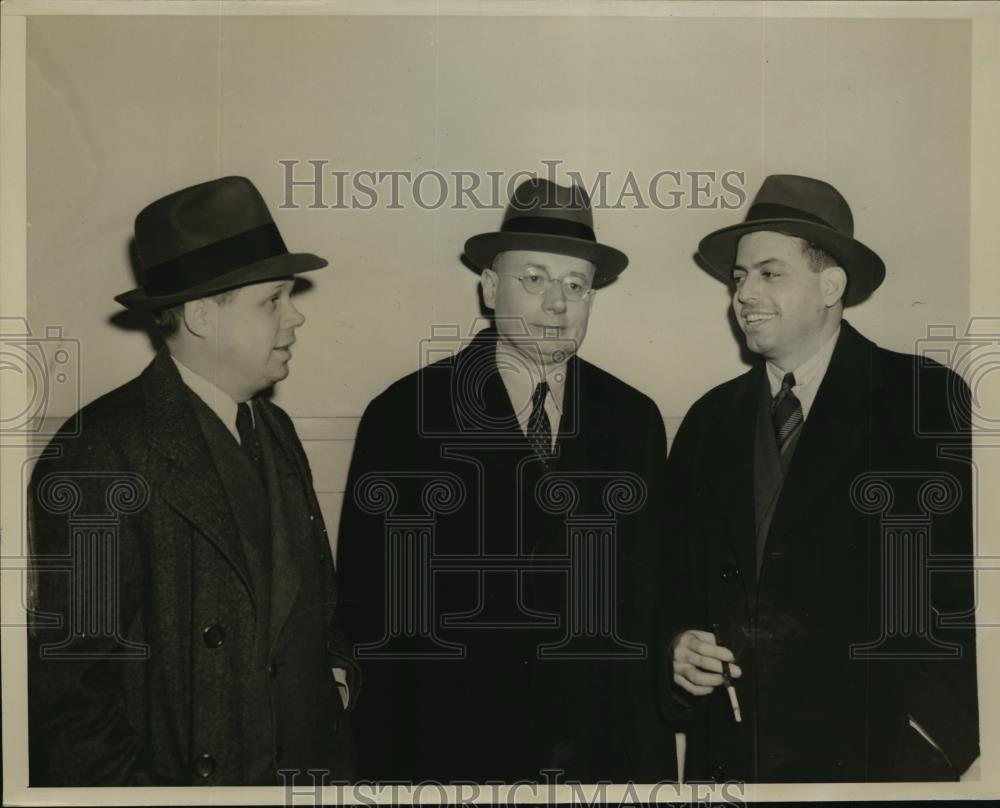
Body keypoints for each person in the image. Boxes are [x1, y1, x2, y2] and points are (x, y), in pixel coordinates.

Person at [336, 178, 674, 783]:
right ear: (490, 288)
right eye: (535, 279)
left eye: (577, 285)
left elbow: (646, 610)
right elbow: (371, 626)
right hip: (455, 763)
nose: (557, 304)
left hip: (597, 764)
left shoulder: (634, 419)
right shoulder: (403, 417)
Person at [28, 176, 356, 786]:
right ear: (203, 315)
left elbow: (314, 600)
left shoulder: (274, 426)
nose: (297, 315)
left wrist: (332, 677)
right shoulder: (100, 453)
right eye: (274, 300)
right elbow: (73, 692)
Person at [662, 174, 979, 782]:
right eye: (739, 277)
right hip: (733, 760)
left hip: (875, 763)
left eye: (769, 273)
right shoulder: (707, 421)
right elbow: (675, 588)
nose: (744, 293)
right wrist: (677, 650)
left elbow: (964, 593)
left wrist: (935, 740)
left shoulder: (923, 401)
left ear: (831, 285)